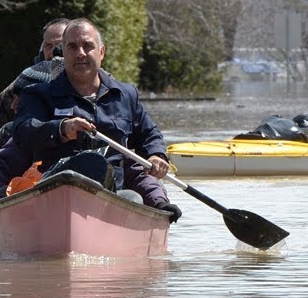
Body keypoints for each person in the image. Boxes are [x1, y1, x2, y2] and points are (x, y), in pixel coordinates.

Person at [10, 18, 180, 219]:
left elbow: (150, 135)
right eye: (72, 47)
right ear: (63, 54)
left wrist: (157, 156)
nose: (80, 53)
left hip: (112, 195)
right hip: (52, 192)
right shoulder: (37, 94)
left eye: (88, 46)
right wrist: (61, 129)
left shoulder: (126, 95)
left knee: (133, 198)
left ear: (102, 52)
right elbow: (22, 133)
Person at [0, 18, 69, 188]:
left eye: (60, 47)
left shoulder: (95, 87)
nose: (53, 53)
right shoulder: (20, 87)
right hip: (15, 176)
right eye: (48, 46)